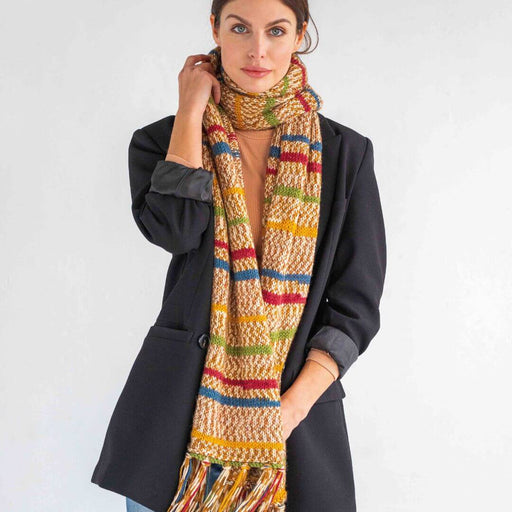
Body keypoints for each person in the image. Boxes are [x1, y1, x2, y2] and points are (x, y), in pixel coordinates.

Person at [92, 1, 387, 511]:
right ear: (215, 29)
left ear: (300, 35)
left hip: (294, 419)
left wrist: (288, 410)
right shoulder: (161, 142)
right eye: (239, 28)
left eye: (276, 30)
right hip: (179, 420)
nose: (257, 50)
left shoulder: (344, 153)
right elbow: (176, 230)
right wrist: (190, 111)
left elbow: (355, 304)